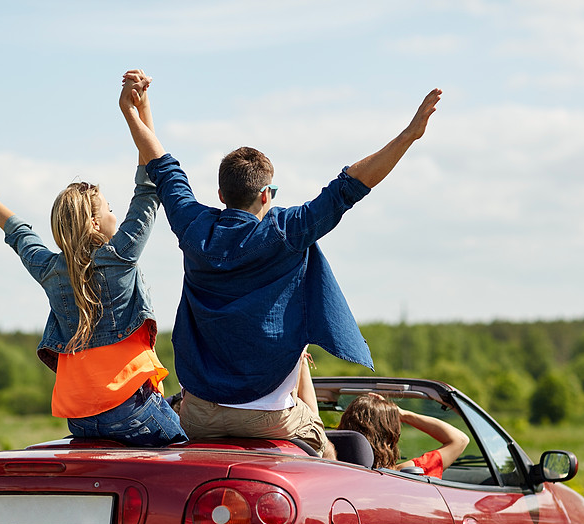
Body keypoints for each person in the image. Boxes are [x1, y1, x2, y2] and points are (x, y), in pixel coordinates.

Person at [119, 68, 441, 458]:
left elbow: (162, 167)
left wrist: (136, 111)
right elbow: (350, 186)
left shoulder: (193, 226)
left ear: (221, 193)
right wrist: (408, 135)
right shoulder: (287, 231)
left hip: (200, 414)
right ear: (265, 195)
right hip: (270, 417)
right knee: (333, 452)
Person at [0, 80, 187, 447]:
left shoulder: (50, 270)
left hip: (81, 420)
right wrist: (139, 111)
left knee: (174, 407)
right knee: (187, 452)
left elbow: (18, 232)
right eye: (108, 209)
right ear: (94, 223)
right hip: (130, 409)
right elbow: (150, 182)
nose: (114, 214)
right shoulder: (121, 256)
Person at [338, 393, 469, 476]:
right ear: (390, 436)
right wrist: (403, 414)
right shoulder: (406, 474)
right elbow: (460, 440)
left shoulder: (331, 467)